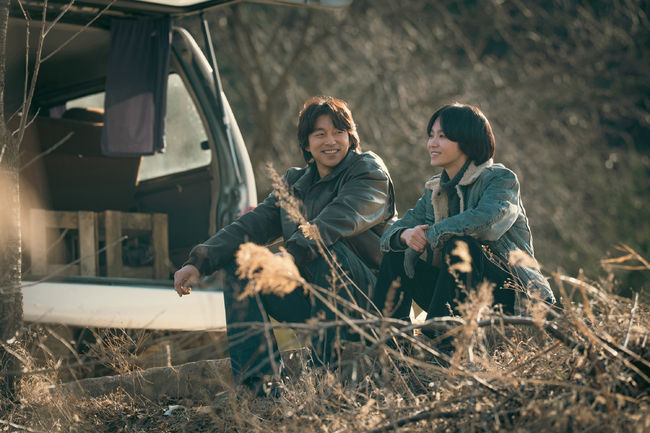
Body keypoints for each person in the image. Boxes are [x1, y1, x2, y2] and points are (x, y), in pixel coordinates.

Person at [174, 96, 397, 392]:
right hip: (313, 300)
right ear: (306, 143)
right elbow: (251, 226)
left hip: (369, 299)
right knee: (242, 264)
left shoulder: (369, 172)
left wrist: (292, 255)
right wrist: (199, 262)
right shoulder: (295, 183)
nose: (330, 141)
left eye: (338, 132)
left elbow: (337, 219)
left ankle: (325, 376)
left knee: (325, 249)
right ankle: (258, 385)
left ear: (351, 137)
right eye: (320, 134)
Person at [372, 103, 555, 337]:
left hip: (509, 295)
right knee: (396, 253)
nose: (432, 143)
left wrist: (432, 233)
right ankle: (390, 344)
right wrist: (406, 236)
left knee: (461, 245)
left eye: (443, 136)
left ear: (468, 140)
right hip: (453, 293)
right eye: (431, 136)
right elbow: (390, 235)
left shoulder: (500, 179)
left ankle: (442, 343)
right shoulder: (435, 190)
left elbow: (487, 222)